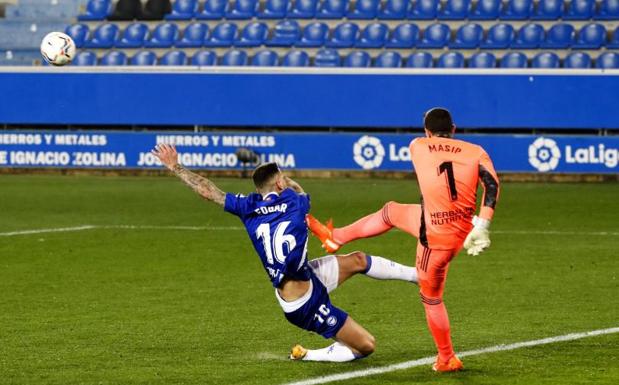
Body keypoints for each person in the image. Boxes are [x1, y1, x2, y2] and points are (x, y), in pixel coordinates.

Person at [152, 144, 418, 362]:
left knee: (358, 260)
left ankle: (418, 276)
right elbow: (302, 192)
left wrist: (175, 166)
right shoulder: (295, 201)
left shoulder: (248, 206)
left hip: (303, 279)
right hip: (304, 304)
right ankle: (308, 355)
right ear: (280, 183)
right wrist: (288, 181)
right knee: (366, 346)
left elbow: (209, 191)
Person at [306, 107, 500, 371]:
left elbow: (433, 176)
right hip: (461, 228)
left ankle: (446, 358)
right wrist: (484, 224)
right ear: (454, 129)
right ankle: (336, 237)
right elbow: (492, 184)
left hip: (435, 238)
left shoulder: (418, 146)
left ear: (427, 131)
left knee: (431, 297)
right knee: (392, 211)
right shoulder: (476, 151)